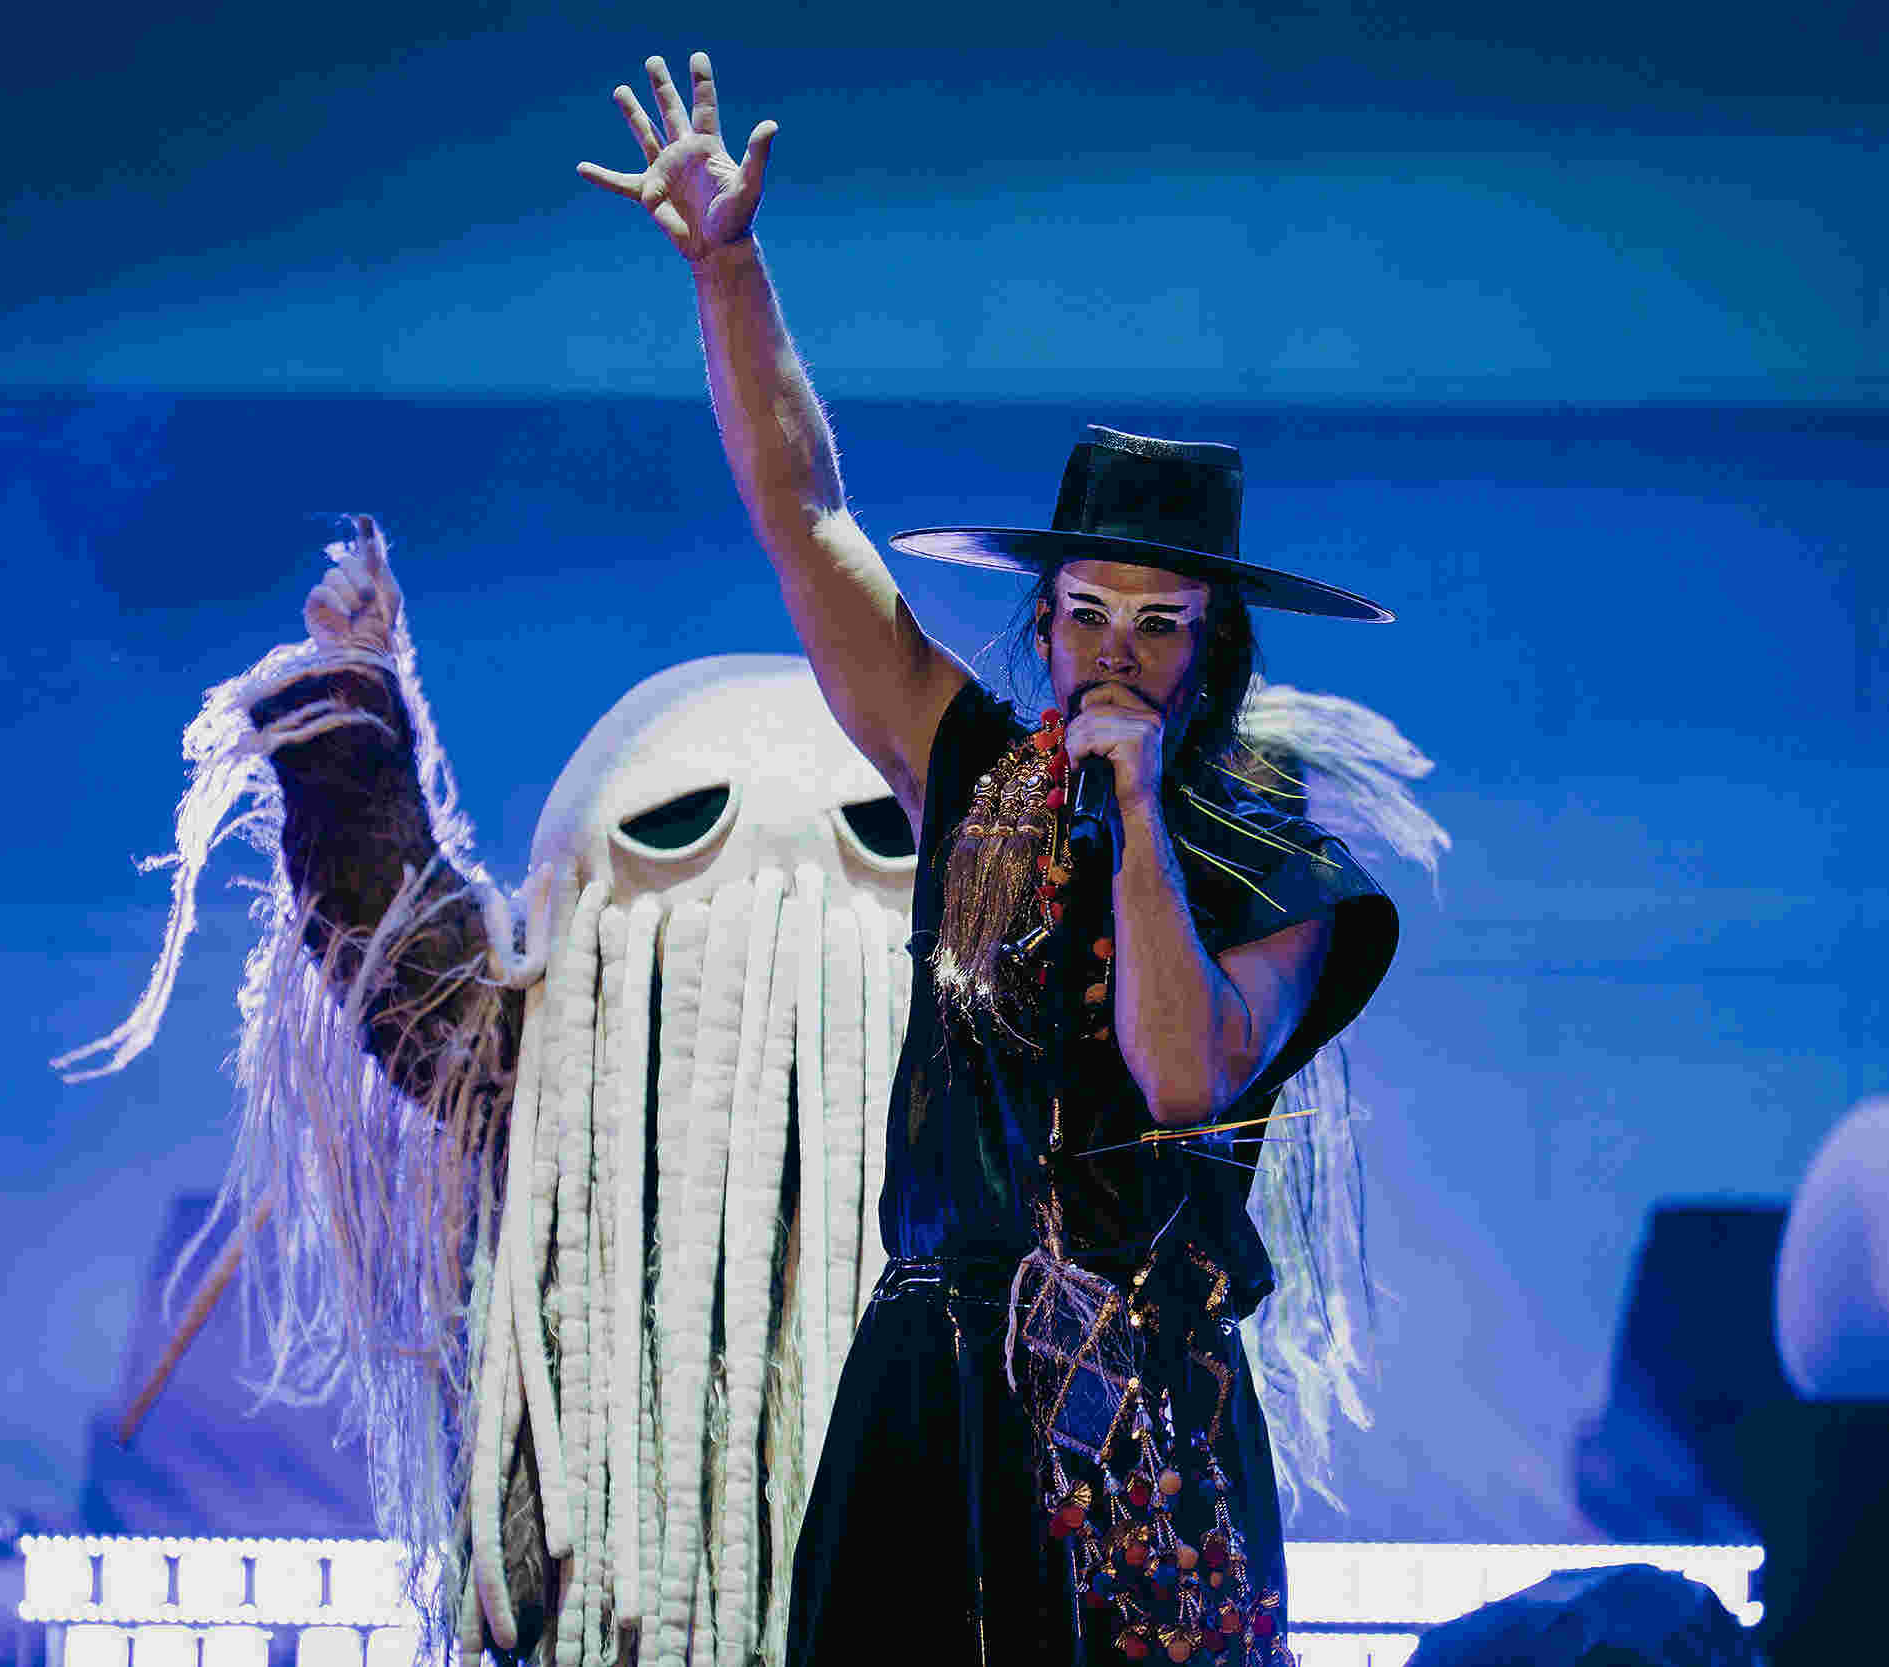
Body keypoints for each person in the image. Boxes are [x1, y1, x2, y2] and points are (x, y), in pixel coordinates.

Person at [577, 53, 1405, 1667]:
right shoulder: (971, 771)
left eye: (1158, 625)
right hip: (932, 1383)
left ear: (1216, 647)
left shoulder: (1278, 860)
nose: (1114, 653)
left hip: (1140, 1408)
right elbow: (809, 517)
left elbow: (1182, 1075)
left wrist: (1141, 815)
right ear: (1046, 617)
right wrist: (729, 273)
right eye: (1086, 613)